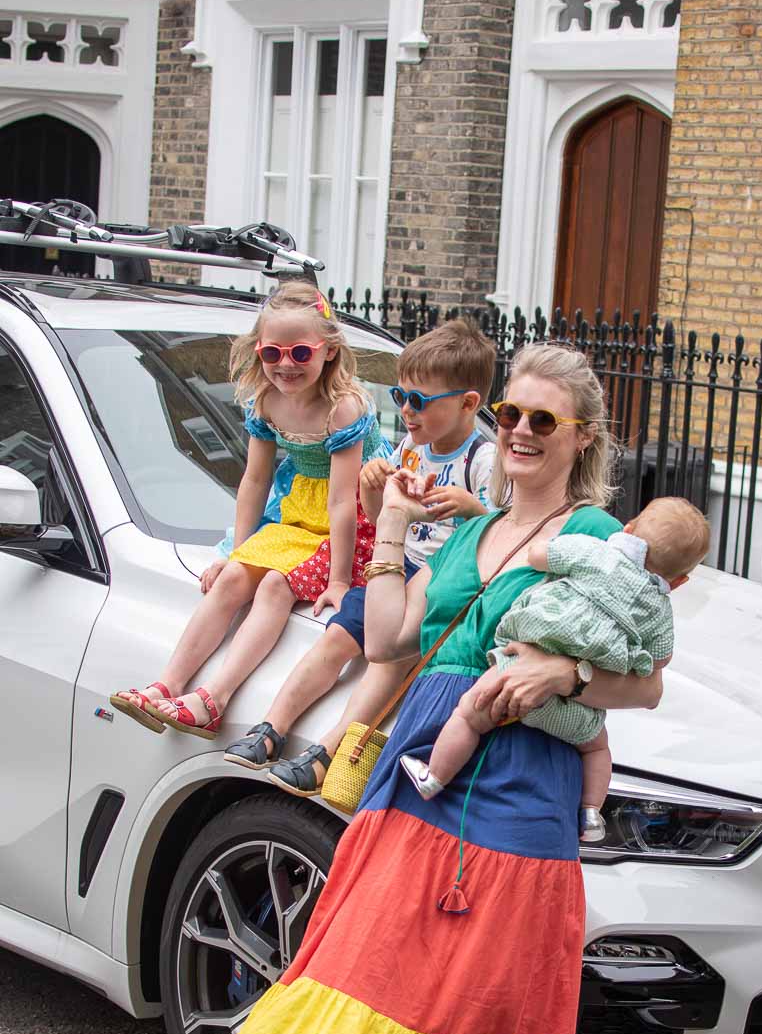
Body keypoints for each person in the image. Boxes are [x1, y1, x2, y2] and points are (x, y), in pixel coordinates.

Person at [176, 342, 668, 1034]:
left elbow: (646, 678)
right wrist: (393, 530)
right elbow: (395, 637)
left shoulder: (598, 533)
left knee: (475, 1012)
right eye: (512, 417)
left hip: (521, 796)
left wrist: (567, 674)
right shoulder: (475, 526)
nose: (519, 434)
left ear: (582, 439)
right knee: (353, 977)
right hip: (418, 780)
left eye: (542, 421)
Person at [222, 319, 496, 796]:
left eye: (419, 402)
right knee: (336, 640)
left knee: (388, 661)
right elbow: (383, 517)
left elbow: (499, 532)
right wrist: (373, 492)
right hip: (396, 567)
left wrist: (474, 509)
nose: (407, 413)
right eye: (400, 397)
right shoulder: (412, 448)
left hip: (441, 581)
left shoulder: (483, 460)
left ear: (468, 403)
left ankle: (331, 752)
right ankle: (271, 729)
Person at [110, 282, 390, 739]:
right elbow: (255, 481)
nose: (285, 365)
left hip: (355, 520)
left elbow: (343, 500)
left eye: (300, 353)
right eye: (272, 353)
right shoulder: (265, 400)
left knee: (277, 586)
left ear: (329, 351)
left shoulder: (343, 407)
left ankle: (213, 698)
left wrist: (339, 582)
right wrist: (235, 553)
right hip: (299, 509)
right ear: (258, 352)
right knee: (235, 578)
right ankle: (166, 685)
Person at [400, 495, 710, 841]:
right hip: (574, 712)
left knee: (469, 715)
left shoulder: (596, 551)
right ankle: (591, 814)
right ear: (681, 581)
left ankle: (435, 777)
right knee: (596, 748)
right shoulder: (659, 610)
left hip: (514, 672)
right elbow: (659, 659)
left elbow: (539, 556)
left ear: (628, 529)